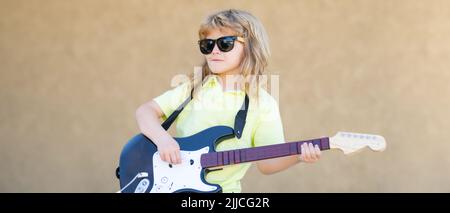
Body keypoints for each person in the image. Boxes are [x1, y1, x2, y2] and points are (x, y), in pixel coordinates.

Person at [135, 9, 321, 193]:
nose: (214, 51)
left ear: (250, 47)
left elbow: (267, 164)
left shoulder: (264, 104)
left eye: (225, 43)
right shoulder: (193, 88)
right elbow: (145, 111)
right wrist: (163, 141)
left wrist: (299, 155)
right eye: (207, 44)